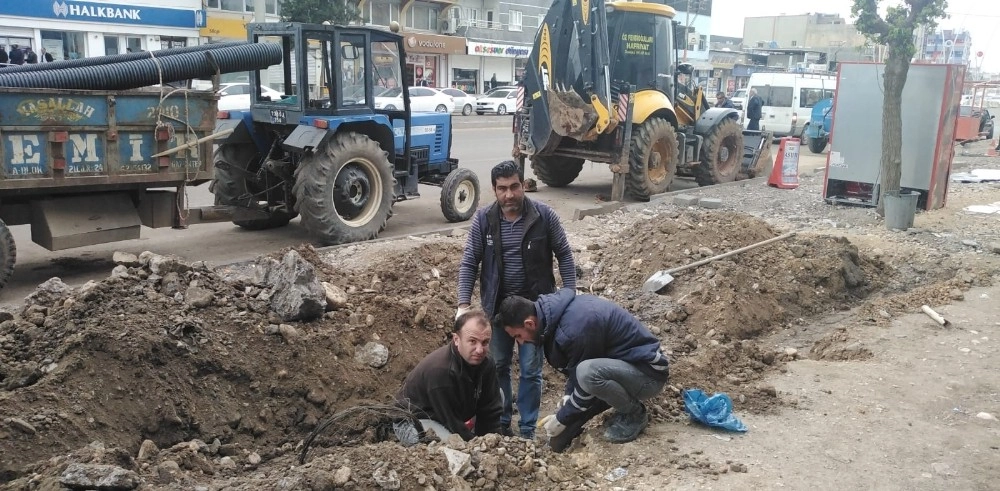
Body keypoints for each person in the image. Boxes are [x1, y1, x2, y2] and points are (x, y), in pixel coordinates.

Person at [457, 160, 577, 439]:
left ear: (523, 185)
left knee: (531, 370)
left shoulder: (544, 216)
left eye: (514, 186)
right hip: (497, 312)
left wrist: (570, 294)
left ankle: (526, 430)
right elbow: (468, 263)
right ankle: (501, 423)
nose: (509, 194)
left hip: (534, 312)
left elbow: (564, 255)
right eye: (502, 189)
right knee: (497, 366)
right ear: (494, 190)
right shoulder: (484, 220)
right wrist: (463, 304)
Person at [493, 288, 670, 452]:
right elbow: (576, 365)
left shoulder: (575, 327)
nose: (521, 342)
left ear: (529, 323)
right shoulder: (554, 318)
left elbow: (586, 375)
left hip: (648, 374)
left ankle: (634, 414)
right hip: (621, 370)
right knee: (559, 441)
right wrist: (568, 397)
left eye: (518, 336)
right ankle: (621, 406)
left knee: (588, 374)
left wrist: (562, 417)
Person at [395, 310, 503, 441]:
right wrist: (474, 444)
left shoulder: (486, 363)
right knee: (449, 447)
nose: (480, 350)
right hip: (416, 418)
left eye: (485, 342)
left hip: (451, 411)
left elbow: (490, 409)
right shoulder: (440, 371)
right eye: (473, 341)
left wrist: (491, 441)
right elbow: (450, 421)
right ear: (457, 339)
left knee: (499, 393)